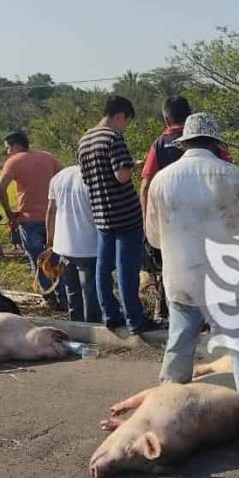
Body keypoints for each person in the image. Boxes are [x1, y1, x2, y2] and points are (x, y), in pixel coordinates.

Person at [145, 112, 239, 437]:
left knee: (179, 345)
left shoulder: (162, 179)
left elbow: (154, 237)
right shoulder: (235, 176)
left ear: (184, 142)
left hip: (181, 278)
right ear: (216, 143)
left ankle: (165, 410)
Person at [77, 95, 154, 334]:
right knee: (126, 269)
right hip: (125, 213)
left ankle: (110, 315)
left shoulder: (85, 140)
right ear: (121, 115)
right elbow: (122, 175)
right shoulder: (113, 137)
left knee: (103, 267)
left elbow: (86, 178)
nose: (125, 127)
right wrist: (132, 164)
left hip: (101, 213)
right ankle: (134, 320)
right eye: (126, 122)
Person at [138, 95, 196, 322]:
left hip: (168, 220)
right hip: (202, 218)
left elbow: (145, 186)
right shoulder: (206, 141)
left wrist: (147, 222)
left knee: (167, 267)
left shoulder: (159, 145)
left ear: (165, 119)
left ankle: (165, 313)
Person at [0, 131, 63, 272]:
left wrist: (9, 213)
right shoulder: (47, 157)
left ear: (15, 146)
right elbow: (64, 178)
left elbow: (0, 188)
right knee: (55, 256)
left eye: (8, 148)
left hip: (29, 219)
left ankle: (46, 292)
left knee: (36, 258)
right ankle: (59, 290)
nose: (8, 152)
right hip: (53, 217)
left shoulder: (13, 162)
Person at [47, 164, 100, 323]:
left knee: (72, 290)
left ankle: (76, 325)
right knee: (90, 291)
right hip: (88, 245)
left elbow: (51, 210)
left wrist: (50, 240)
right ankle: (92, 327)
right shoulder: (93, 177)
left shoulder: (59, 177)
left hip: (63, 245)